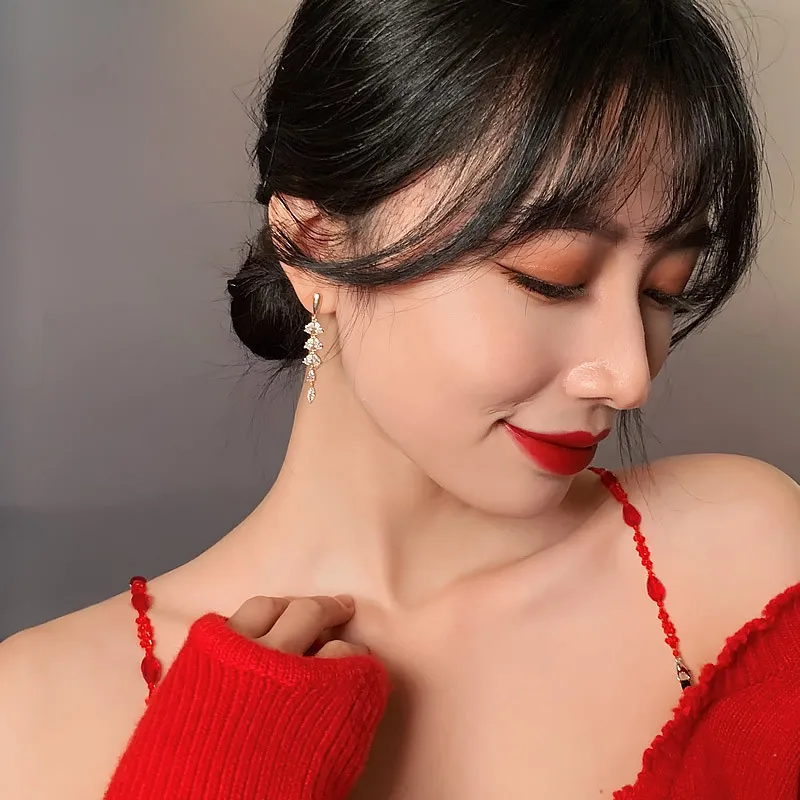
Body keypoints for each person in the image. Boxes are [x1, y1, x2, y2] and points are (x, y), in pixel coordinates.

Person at [2, 0, 799, 798]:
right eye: (552, 279)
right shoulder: (33, 719)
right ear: (311, 242)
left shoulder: (745, 562)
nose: (629, 376)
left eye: (664, 289)